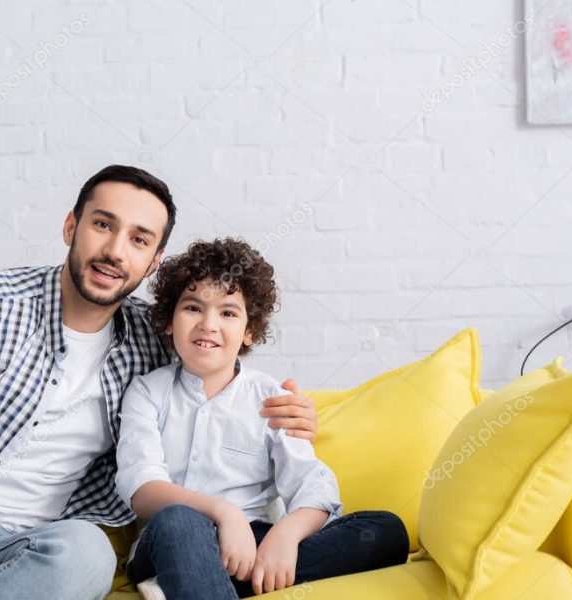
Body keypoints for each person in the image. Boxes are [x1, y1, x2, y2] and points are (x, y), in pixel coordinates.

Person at [0, 165, 320, 600]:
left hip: (11, 554)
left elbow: (222, 363)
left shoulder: (156, 339)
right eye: (102, 225)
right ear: (71, 227)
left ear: (153, 262)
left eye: (138, 239)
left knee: (85, 554)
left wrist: (290, 410)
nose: (115, 250)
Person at [115, 238, 410, 600]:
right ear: (168, 321)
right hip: (168, 542)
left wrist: (285, 535)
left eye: (228, 313)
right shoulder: (146, 392)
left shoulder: (273, 400)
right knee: (179, 520)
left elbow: (313, 488)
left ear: (249, 331)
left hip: (255, 543)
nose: (209, 324)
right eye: (193, 307)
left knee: (385, 529)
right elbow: (142, 489)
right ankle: (193, 575)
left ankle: (191, 585)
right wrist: (224, 514)